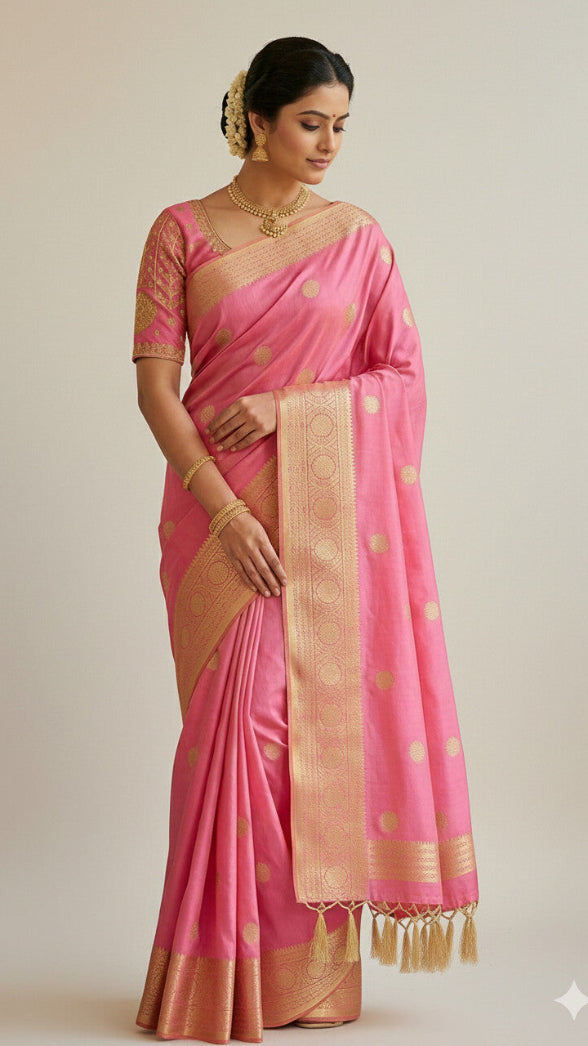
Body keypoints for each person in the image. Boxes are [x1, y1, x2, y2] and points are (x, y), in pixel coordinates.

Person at [131, 36, 480, 1044]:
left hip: (318, 520)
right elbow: (157, 386)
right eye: (310, 122)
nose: (328, 143)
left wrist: (292, 408)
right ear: (257, 118)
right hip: (213, 511)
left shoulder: (359, 238)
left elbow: (402, 379)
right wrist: (225, 504)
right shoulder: (181, 231)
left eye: (340, 126)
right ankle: (215, 972)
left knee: (294, 737)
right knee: (226, 738)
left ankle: (308, 979)